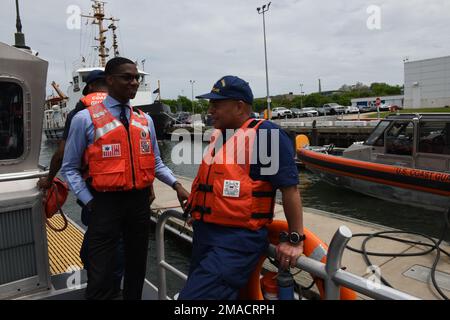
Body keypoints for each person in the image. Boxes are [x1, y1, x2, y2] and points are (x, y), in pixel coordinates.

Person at [61, 57, 189, 300]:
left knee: (136, 269)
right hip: (103, 204)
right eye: (127, 77)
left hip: (139, 205)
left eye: (136, 78)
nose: (134, 82)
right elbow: (70, 168)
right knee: (101, 275)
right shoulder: (84, 119)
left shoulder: (145, 120)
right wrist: (89, 201)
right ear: (110, 80)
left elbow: (156, 162)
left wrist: (177, 185)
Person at [179, 75, 304, 300]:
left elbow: (290, 190)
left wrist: (295, 239)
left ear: (239, 106)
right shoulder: (219, 135)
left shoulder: (266, 135)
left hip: (236, 242)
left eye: (216, 104)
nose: (210, 110)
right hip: (205, 235)